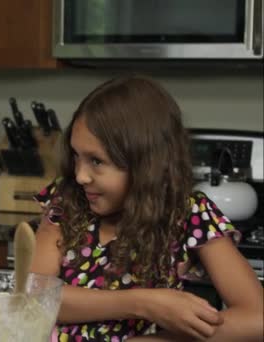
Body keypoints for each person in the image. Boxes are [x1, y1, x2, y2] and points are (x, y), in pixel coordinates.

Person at [31, 75, 263, 341]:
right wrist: (145, 303)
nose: (81, 175)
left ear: (146, 165)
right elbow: (37, 299)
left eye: (96, 161)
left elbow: (256, 318)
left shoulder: (190, 215)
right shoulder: (66, 201)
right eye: (76, 156)